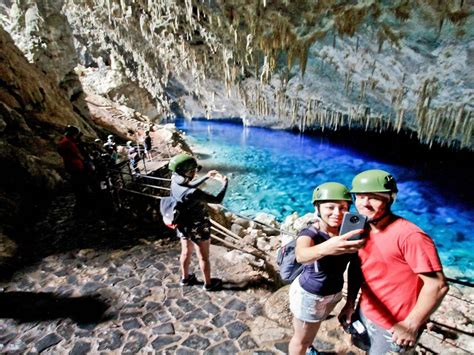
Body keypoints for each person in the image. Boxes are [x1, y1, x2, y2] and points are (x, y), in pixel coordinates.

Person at [339, 169, 449, 354]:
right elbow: (358, 266)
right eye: (360, 196)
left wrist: (411, 325)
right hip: (365, 311)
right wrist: (350, 303)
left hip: (396, 325)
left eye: (374, 197)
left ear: (390, 199)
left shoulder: (410, 236)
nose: (365, 203)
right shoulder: (362, 228)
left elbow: (437, 285)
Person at [288, 182, 366, 355]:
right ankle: (304, 347)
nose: (337, 213)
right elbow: (301, 255)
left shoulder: (348, 234)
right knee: (300, 339)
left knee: (311, 331)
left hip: (333, 294)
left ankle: (308, 347)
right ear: (318, 207)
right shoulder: (311, 233)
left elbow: (355, 268)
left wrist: (350, 302)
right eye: (330, 207)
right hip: (310, 296)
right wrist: (328, 247)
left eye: (343, 207)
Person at [168, 153, 228, 291]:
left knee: (185, 252)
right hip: (198, 226)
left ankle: (185, 278)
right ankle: (208, 284)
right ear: (187, 171)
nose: (195, 173)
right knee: (203, 257)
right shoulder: (192, 193)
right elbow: (217, 199)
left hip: (183, 224)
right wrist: (225, 184)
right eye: (193, 170)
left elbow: (187, 184)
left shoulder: (175, 181)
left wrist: (206, 176)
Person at [57, 125, 89, 212]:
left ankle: (80, 203)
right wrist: (85, 160)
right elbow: (77, 154)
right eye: (76, 135)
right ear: (73, 134)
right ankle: (83, 204)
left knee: (76, 185)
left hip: (69, 165)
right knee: (81, 185)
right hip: (77, 166)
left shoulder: (62, 142)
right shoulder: (68, 143)